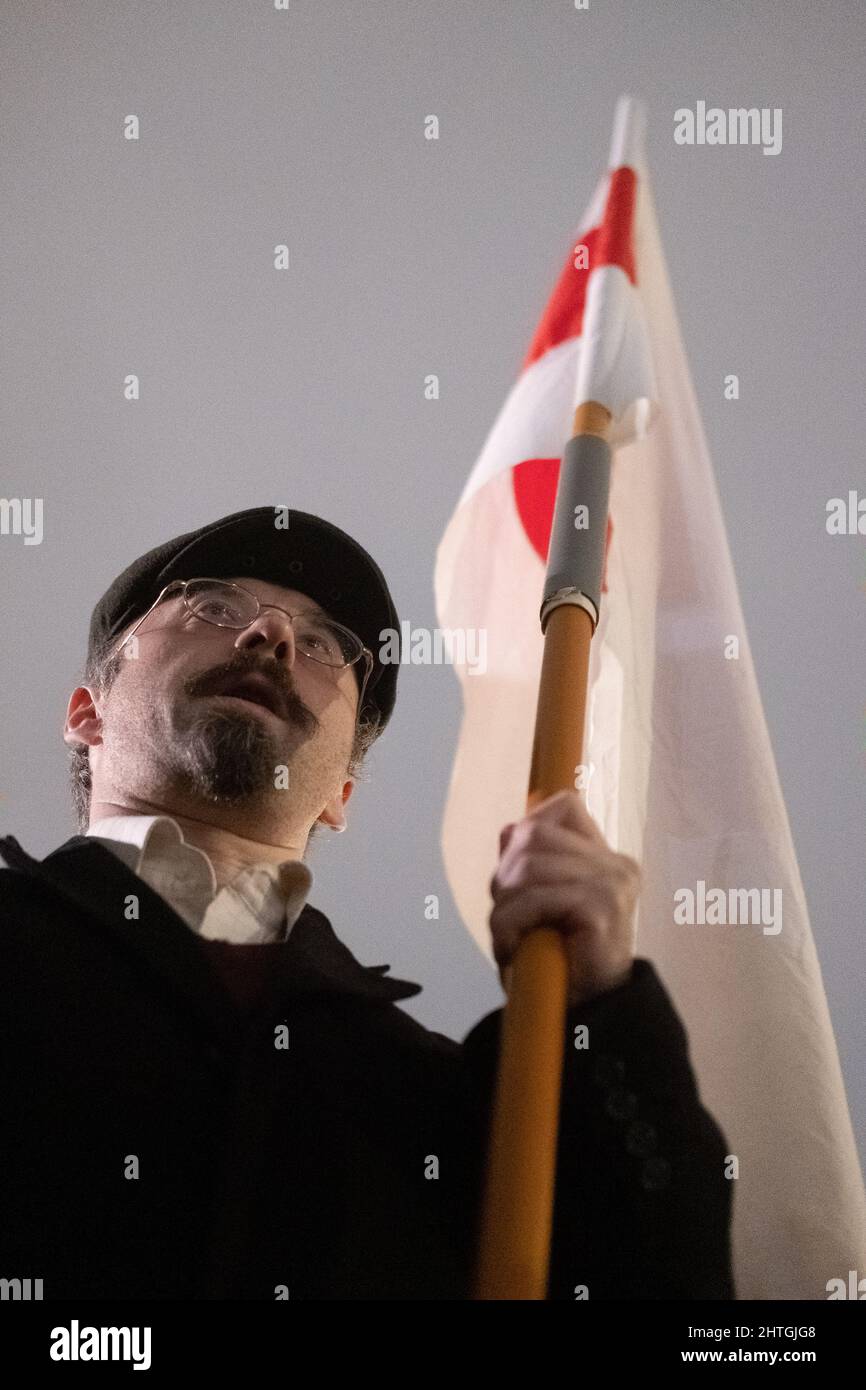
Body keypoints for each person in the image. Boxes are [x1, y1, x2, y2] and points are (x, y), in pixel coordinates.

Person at [0, 505, 734, 1300]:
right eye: (213, 606)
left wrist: (605, 1011)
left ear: (340, 795)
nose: (272, 636)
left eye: (324, 644)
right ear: (88, 714)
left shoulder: (454, 1107)